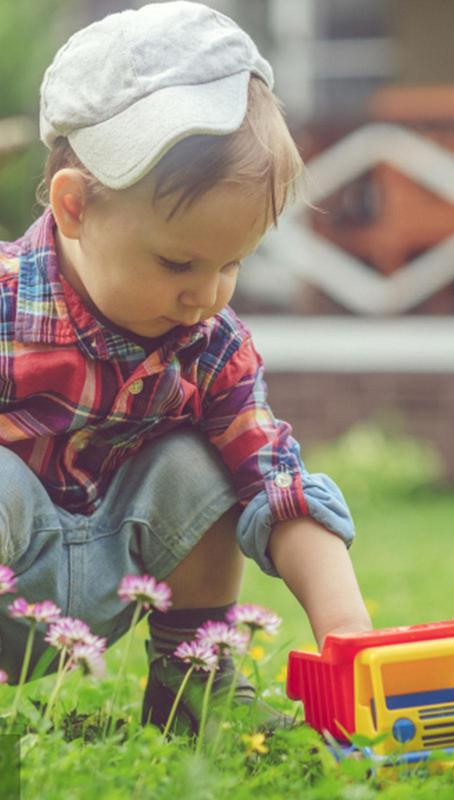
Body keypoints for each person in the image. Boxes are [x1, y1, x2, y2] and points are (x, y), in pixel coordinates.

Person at [0, 0, 371, 735]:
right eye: (178, 261)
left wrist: (349, 632)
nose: (206, 294)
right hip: (17, 581)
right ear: (75, 208)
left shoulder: (210, 345)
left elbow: (276, 483)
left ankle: (193, 691)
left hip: (114, 579)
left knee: (202, 462)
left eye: (233, 262)